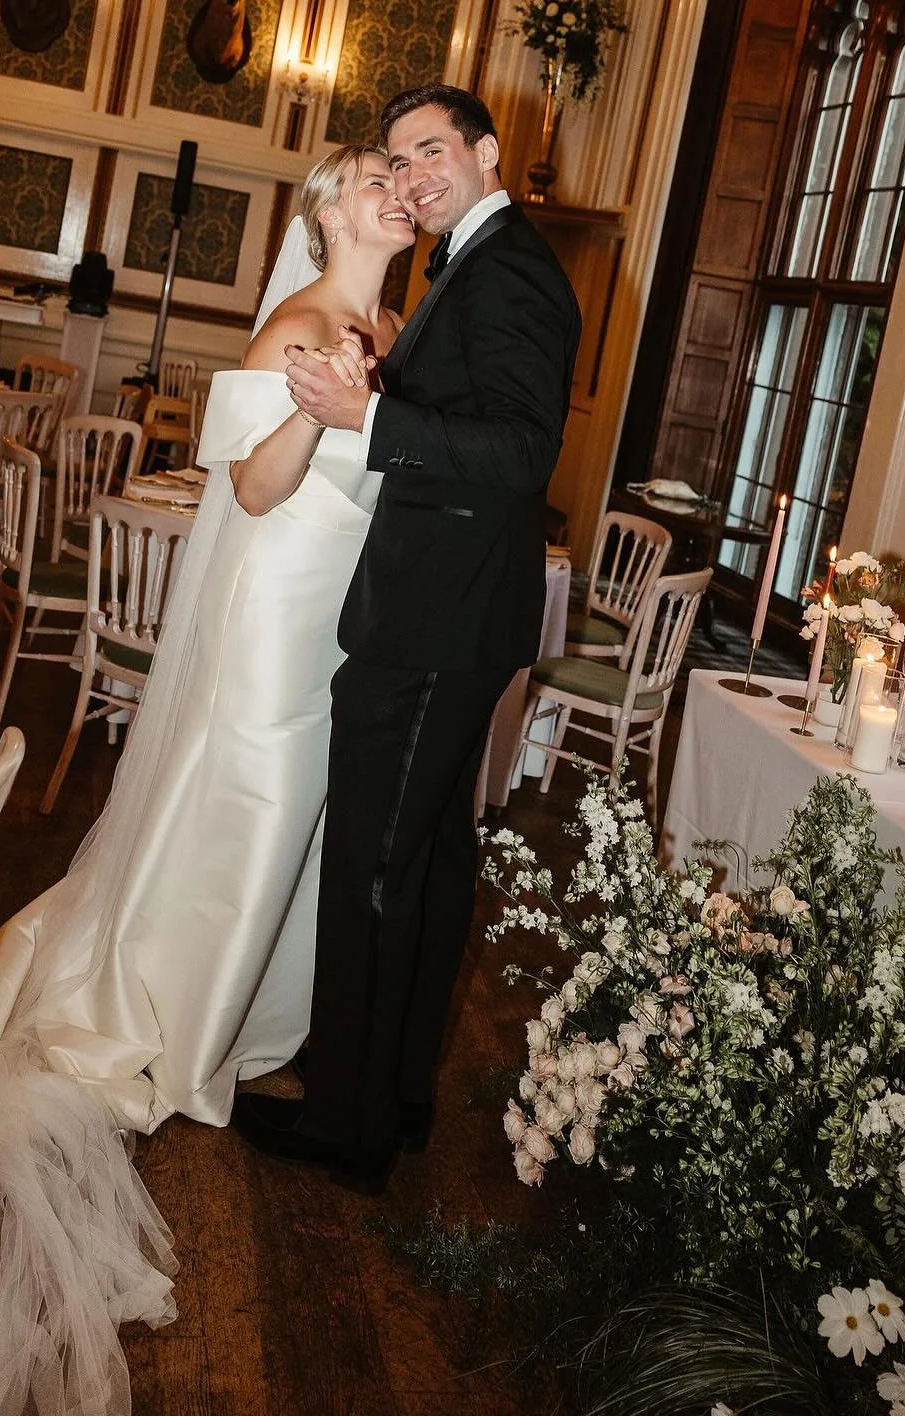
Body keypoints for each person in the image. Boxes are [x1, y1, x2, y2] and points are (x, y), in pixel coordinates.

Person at [0, 143, 414, 1416]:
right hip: (269, 612)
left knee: (290, 810)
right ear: (322, 214)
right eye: (373, 179)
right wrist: (312, 401)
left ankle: (235, 1005)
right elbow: (248, 488)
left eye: (403, 181)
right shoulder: (297, 328)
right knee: (246, 797)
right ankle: (172, 1022)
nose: (395, 194)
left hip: (336, 616)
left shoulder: (394, 322)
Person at [233, 82, 582, 1193]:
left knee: (376, 861)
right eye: (399, 159)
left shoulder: (510, 266)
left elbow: (524, 453)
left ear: (486, 153)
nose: (415, 175)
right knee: (426, 862)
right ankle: (400, 1095)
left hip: (438, 616)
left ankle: (347, 1121)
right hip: (449, 610)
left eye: (433, 151)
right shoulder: (475, 262)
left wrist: (370, 419)